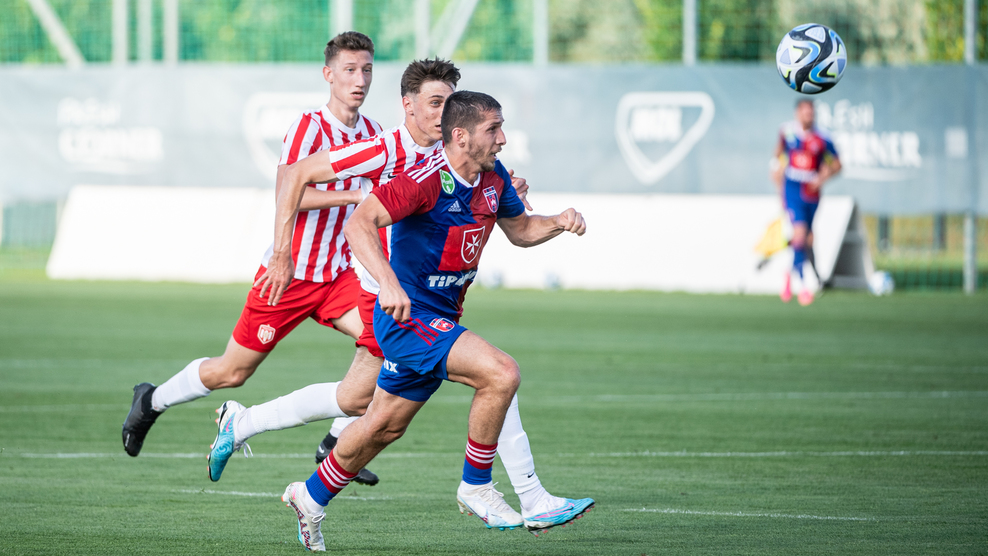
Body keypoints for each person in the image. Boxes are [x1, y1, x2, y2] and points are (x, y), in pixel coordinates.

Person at [212, 60, 583, 536]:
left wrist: (557, 222)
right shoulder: (407, 165)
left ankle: (307, 493)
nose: (503, 139)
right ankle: (490, 489)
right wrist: (379, 280)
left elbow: (521, 229)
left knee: (377, 420)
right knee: (499, 374)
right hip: (401, 312)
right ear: (453, 130)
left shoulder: (492, 177)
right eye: (494, 129)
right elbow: (342, 210)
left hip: (436, 311)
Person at [120, 31, 381, 485]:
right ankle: (151, 400)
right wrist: (292, 246)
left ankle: (336, 441)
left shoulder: (374, 133)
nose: (359, 80)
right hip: (289, 275)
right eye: (349, 70)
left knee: (389, 344)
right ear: (328, 74)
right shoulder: (309, 128)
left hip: (337, 276)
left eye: (367, 70)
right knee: (232, 371)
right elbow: (287, 193)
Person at [771, 99, 841, 305]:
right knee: (800, 234)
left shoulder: (822, 138)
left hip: (811, 194)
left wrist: (822, 177)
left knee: (807, 239)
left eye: (811, 113)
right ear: (798, 114)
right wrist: (779, 185)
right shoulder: (787, 133)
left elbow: (837, 164)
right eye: (805, 113)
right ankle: (802, 286)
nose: (808, 116)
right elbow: (777, 157)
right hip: (792, 190)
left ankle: (788, 272)